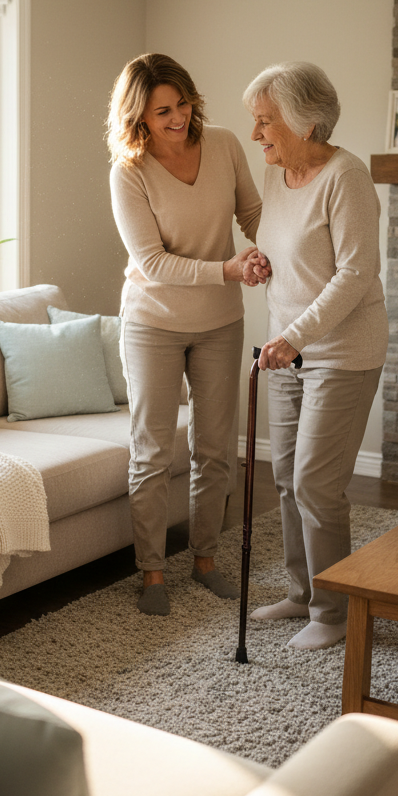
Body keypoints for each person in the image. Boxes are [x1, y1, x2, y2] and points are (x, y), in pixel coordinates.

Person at [107, 53, 266, 616]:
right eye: (162, 111)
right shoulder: (129, 172)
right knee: (151, 450)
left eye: (183, 104)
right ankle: (152, 571)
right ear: (139, 118)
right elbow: (151, 262)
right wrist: (227, 268)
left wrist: (280, 246)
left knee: (214, 448)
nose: (177, 118)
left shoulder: (223, 145)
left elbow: (252, 213)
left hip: (220, 322)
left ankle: (205, 560)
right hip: (153, 322)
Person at [242, 62, 388, 649]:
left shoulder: (346, 177)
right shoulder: (281, 177)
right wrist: (259, 261)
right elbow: (289, 249)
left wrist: (296, 336)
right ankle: (303, 594)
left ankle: (334, 614)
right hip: (288, 349)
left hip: (340, 353)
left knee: (316, 483)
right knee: (285, 478)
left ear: (304, 124)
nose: (256, 135)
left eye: (264, 122)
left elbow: (356, 273)